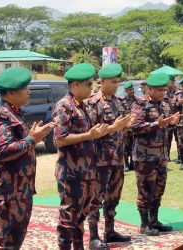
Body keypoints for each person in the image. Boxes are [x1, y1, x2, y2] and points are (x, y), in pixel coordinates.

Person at [0, 67, 53, 249]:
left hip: (18, 189)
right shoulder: (3, 117)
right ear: (12, 93)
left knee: (15, 240)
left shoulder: (14, 112)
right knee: (10, 242)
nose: (29, 91)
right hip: (8, 191)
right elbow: (2, 151)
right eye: (25, 88)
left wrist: (32, 136)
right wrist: (33, 139)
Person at [53, 63, 109, 249]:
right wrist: (88, 135)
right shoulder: (64, 107)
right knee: (68, 218)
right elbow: (60, 139)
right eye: (88, 84)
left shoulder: (81, 106)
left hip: (85, 171)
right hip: (71, 173)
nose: (91, 88)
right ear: (75, 85)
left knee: (80, 217)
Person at [86, 64, 134, 248]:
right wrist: (112, 127)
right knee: (96, 199)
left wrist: (126, 125)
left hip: (117, 158)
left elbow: (120, 128)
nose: (116, 85)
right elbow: (91, 131)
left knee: (114, 197)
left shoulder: (117, 101)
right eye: (113, 82)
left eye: (117, 82)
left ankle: (110, 231)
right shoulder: (93, 103)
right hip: (100, 160)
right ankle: (93, 237)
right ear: (102, 81)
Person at [131, 73, 181, 236]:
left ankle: (154, 221)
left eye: (164, 90)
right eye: (159, 90)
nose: (163, 93)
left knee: (158, 190)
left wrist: (171, 122)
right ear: (149, 89)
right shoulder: (140, 104)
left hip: (161, 155)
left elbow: (164, 125)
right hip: (145, 157)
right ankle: (144, 225)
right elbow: (135, 127)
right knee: (145, 191)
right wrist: (155, 124)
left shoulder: (165, 104)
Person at [119, 81, 137, 172]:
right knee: (125, 147)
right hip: (126, 128)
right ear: (126, 91)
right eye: (130, 90)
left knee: (134, 146)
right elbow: (121, 114)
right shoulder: (122, 101)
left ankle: (132, 163)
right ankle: (126, 163)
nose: (132, 91)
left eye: (132, 89)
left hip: (135, 127)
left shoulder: (137, 100)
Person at [165, 75, 181, 163]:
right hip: (168, 119)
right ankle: (167, 156)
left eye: (169, 82)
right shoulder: (165, 92)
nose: (168, 84)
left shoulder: (179, 92)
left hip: (178, 119)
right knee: (168, 139)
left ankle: (179, 156)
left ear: (173, 82)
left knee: (178, 138)